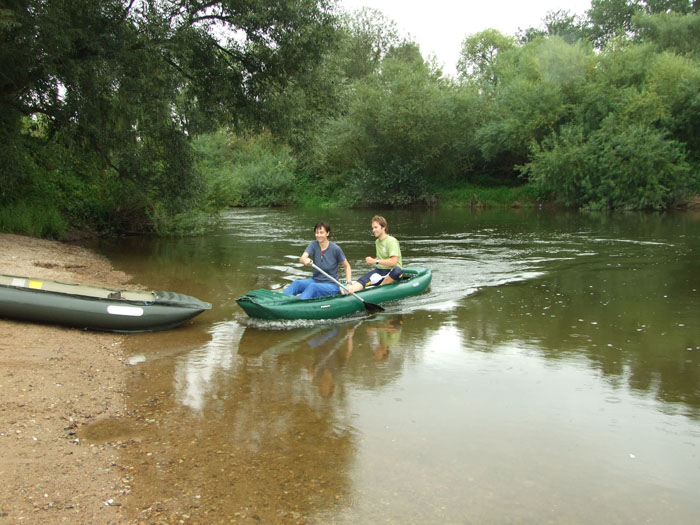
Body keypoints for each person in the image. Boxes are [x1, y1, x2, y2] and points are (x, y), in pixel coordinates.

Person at [284, 221, 352, 299]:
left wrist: (349, 283)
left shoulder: (336, 249)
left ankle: (297, 305)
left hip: (331, 285)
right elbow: (302, 259)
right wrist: (305, 260)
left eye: (321, 232)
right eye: (317, 233)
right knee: (297, 283)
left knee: (313, 287)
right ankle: (280, 300)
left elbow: (347, 266)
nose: (318, 235)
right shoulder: (313, 245)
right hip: (315, 280)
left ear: (327, 233)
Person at [347, 215, 402, 293]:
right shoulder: (377, 242)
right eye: (372, 228)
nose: (373, 230)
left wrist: (375, 261)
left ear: (383, 227)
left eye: (376, 227)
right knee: (365, 279)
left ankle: (379, 290)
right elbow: (381, 258)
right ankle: (348, 291)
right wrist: (372, 260)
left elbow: (394, 262)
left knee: (397, 271)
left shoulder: (391, 241)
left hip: (392, 272)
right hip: (380, 271)